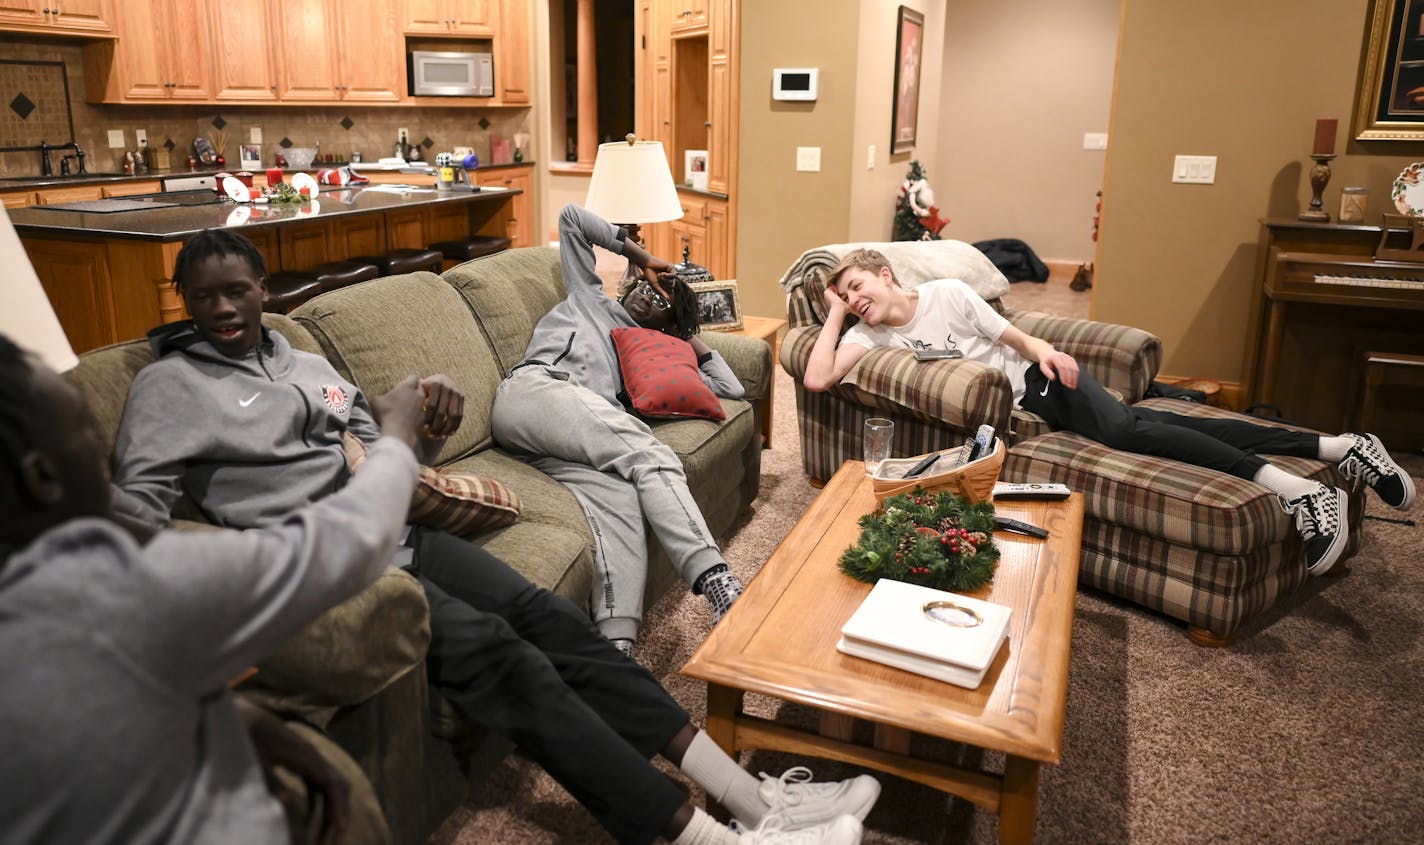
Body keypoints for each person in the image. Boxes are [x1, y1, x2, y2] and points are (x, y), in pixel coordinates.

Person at [111, 229, 881, 845]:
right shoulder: (168, 387)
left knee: (560, 626)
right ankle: (701, 834)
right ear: (181, 299)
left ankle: (751, 797)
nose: (222, 308)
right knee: (507, 656)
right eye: (203, 295)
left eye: (236, 290)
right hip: (331, 572)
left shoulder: (299, 358)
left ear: (262, 289)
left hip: (397, 531)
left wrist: (424, 431)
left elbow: (383, 451)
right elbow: (136, 514)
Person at [0, 330, 427, 843]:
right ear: (43, 477)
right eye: (89, 437)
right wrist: (399, 436)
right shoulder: (121, 588)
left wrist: (235, 715)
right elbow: (352, 540)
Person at [804, 248, 1415, 576]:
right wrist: (835, 313)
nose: (859, 301)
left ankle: (1300, 494)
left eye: (862, 287)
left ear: (887, 276)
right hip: (1026, 410)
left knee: (1127, 429)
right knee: (1160, 425)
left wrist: (1048, 350)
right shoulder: (873, 336)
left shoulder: (946, 295)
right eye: (849, 297)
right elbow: (817, 375)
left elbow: (1011, 335)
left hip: (1041, 382)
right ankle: (1340, 448)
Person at [491, 204, 747, 656]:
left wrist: (686, 333)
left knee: (620, 499)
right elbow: (571, 218)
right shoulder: (589, 296)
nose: (651, 297)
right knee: (649, 453)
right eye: (652, 291)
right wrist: (643, 258)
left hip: (563, 441)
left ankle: (618, 646)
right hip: (535, 393)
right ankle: (717, 581)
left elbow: (731, 388)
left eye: (662, 304)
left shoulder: (651, 357)